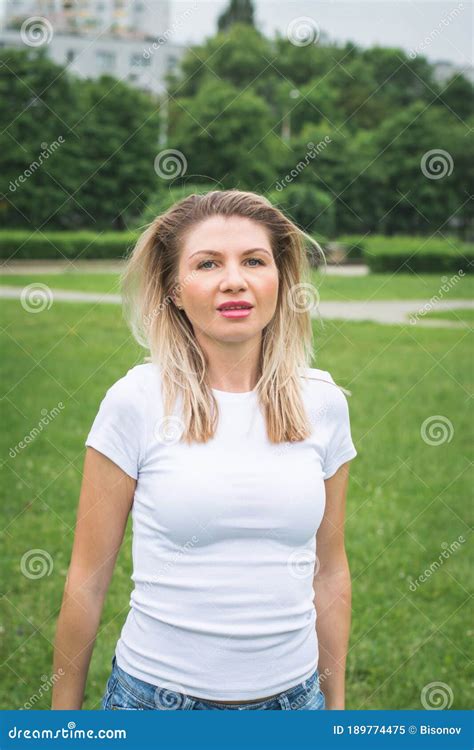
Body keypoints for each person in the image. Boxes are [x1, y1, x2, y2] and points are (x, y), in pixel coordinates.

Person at [51, 189, 357, 710]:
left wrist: (334, 711)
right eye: (208, 263)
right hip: (155, 705)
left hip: (293, 704)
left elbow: (329, 571)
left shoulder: (322, 403)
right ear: (174, 289)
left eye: (254, 261)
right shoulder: (136, 401)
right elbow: (87, 575)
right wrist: (63, 724)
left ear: (280, 282)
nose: (233, 280)